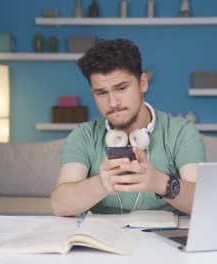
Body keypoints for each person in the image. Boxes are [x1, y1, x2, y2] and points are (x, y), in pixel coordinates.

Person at [51, 38, 205, 217]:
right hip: (103, 240)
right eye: (101, 93)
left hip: (166, 239)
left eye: (122, 88)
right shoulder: (83, 136)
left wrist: (160, 183)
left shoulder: (182, 133)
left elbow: (202, 202)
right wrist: (101, 184)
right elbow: (59, 205)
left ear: (142, 83)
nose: (113, 103)